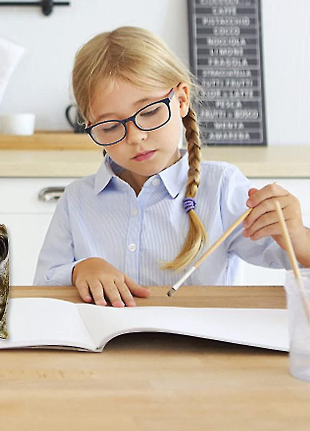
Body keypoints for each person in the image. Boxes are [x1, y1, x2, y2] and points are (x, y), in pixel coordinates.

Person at [33, 26, 310, 307]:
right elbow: (41, 286)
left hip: (202, 348)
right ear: (91, 128)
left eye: (150, 112)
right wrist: (80, 269)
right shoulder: (77, 200)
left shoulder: (222, 187)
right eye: (110, 126)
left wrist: (296, 234)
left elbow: (302, 264)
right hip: (109, 350)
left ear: (181, 100)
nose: (136, 137)